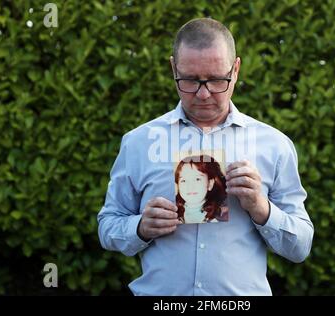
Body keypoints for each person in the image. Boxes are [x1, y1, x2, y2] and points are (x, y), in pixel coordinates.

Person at [98, 17, 314, 295]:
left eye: (215, 80)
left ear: (235, 69)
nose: (203, 94)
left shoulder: (275, 145)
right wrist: (140, 227)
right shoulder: (138, 142)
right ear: (173, 68)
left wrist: (262, 208)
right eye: (189, 80)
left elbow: (301, 247)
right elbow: (108, 226)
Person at [175, 154, 228, 224]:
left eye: (197, 179)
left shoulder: (222, 216)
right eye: (183, 181)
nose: (190, 187)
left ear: (210, 184)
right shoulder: (172, 213)